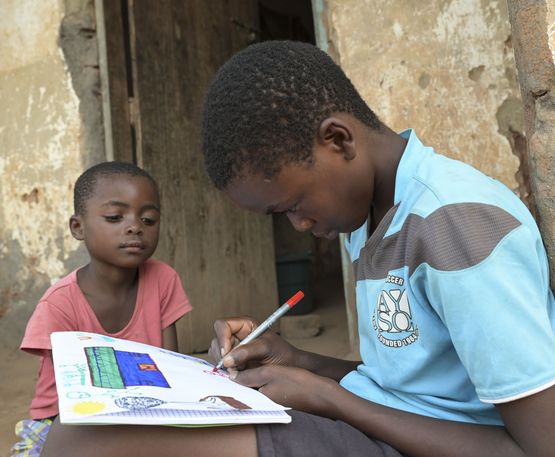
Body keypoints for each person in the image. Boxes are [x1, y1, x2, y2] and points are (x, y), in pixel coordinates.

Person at [41, 41, 555, 457]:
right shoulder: (373, 211)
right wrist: (299, 360)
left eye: (294, 205)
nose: (300, 224)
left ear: (338, 140)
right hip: (389, 422)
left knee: (89, 441)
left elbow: (537, 446)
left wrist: (333, 401)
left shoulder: (457, 225)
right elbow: (406, 383)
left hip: (415, 442)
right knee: (83, 428)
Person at [11, 161, 192, 456]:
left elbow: (168, 368)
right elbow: (76, 396)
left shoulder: (163, 279)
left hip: (144, 415)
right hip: (66, 421)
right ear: (78, 227)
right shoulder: (59, 304)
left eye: (148, 219)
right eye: (114, 217)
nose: (134, 226)